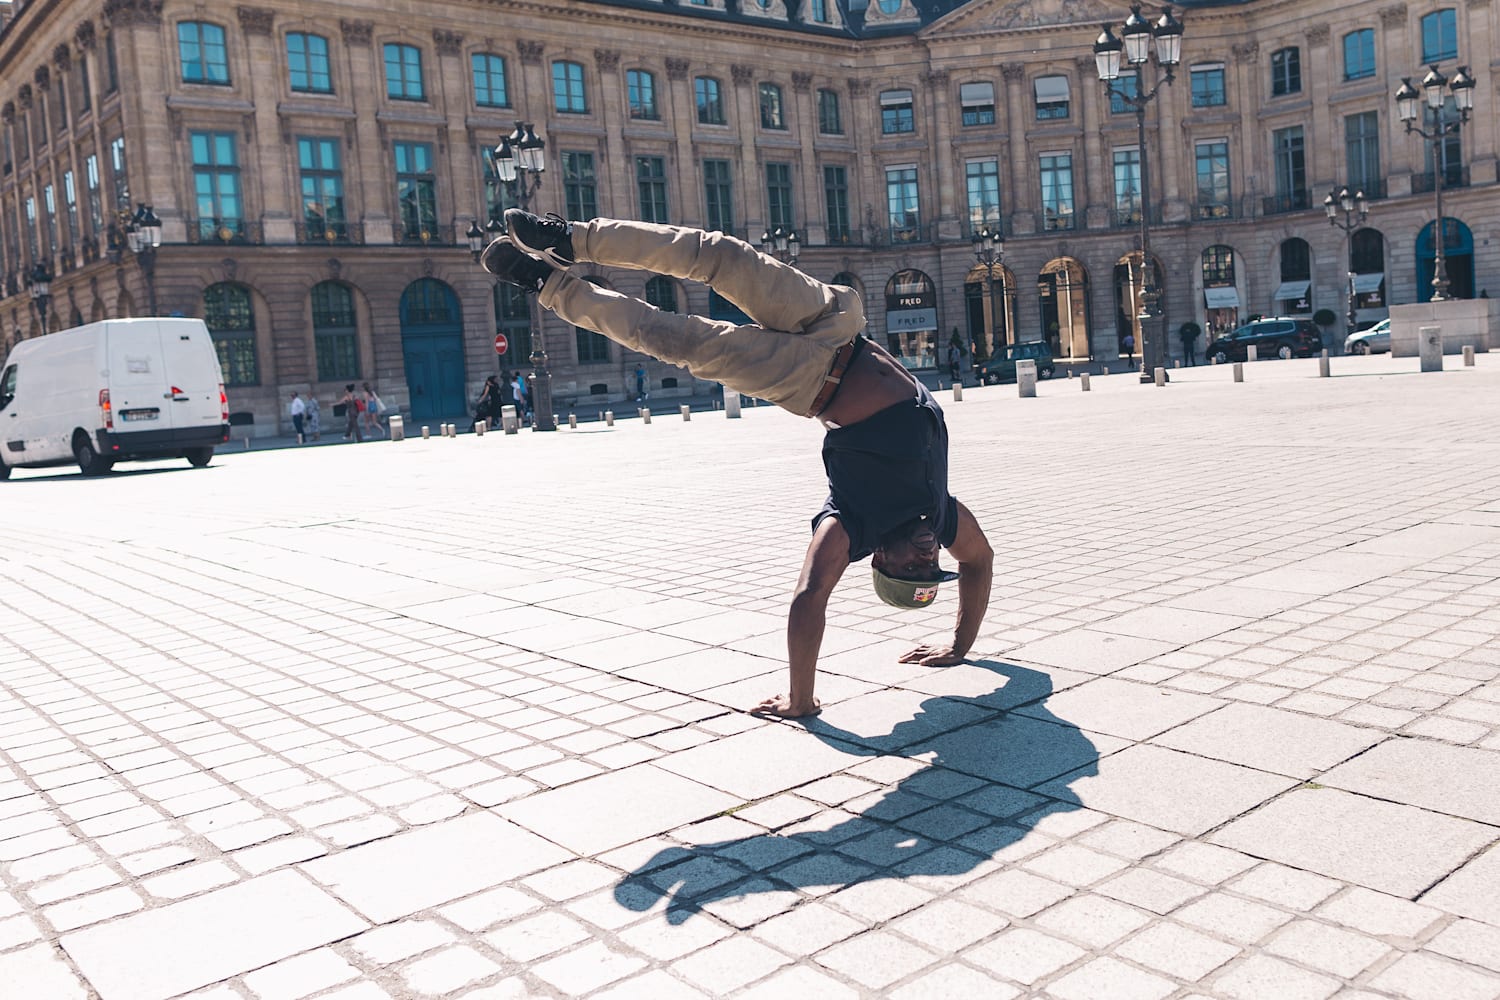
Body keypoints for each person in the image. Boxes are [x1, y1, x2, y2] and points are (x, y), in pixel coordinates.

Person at [483, 212, 993, 718]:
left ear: (880, 560)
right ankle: (570, 238)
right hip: (841, 325)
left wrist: (801, 699)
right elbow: (979, 561)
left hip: (806, 379)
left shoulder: (853, 526)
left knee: (668, 335)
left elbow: (808, 598)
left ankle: (545, 283)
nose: (928, 557)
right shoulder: (939, 515)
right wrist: (960, 647)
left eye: (912, 568)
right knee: (720, 254)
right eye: (931, 566)